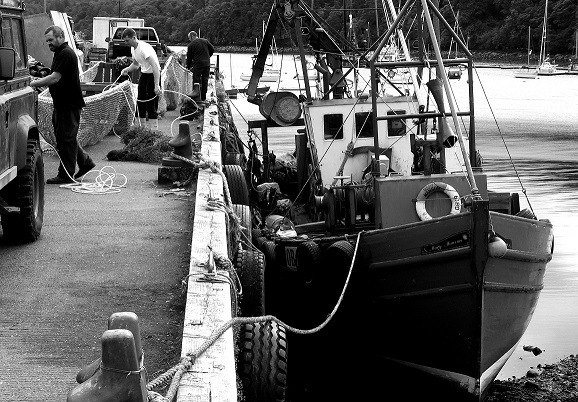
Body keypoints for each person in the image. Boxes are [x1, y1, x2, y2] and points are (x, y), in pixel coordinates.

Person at [30, 25, 95, 184]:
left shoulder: (65, 54)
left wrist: (34, 83)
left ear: (60, 37)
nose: (49, 43)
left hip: (69, 104)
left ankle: (66, 174)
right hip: (62, 104)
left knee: (66, 138)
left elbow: (54, 78)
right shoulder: (60, 53)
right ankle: (85, 162)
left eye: (51, 40)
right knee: (66, 137)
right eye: (47, 41)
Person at [119, 28, 161, 130]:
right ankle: (140, 130)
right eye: (124, 41)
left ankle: (153, 133)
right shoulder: (133, 49)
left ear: (134, 38)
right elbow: (136, 65)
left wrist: (156, 85)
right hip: (144, 75)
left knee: (151, 105)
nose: (126, 43)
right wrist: (127, 69)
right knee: (140, 102)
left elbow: (155, 66)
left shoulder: (143, 48)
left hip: (153, 76)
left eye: (127, 40)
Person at [186, 31, 214, 102]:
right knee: (205, 80)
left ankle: (196, 95)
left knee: (196, 79)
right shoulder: (205, 41)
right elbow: (212, 49)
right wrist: (208, 57)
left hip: (198, 64)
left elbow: (189, 58)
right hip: (207, 64)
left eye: (189, 38)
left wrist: (188, 67)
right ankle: (203, 97)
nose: (189, 40)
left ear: (192, 36)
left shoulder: (191, 45)